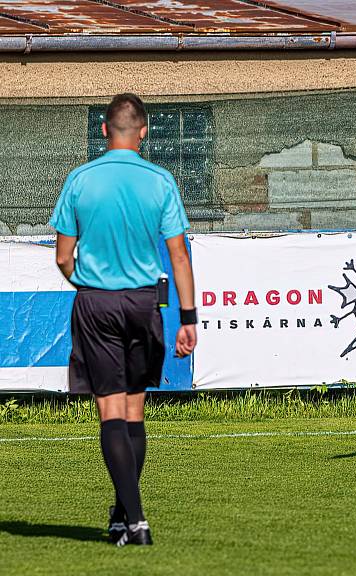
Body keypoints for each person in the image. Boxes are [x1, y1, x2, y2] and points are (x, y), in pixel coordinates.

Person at [49, 93, 198, 545]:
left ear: (103, 130)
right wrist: (188, 318)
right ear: (145, 131)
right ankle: (123, 514)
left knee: (110, 411)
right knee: (134, 411)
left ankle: (134, 520)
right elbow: (178, 256)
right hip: (142, 303)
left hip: (97, 302)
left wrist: (89, 284)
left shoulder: (80, 179)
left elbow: (62, 257)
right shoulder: (160, 180)